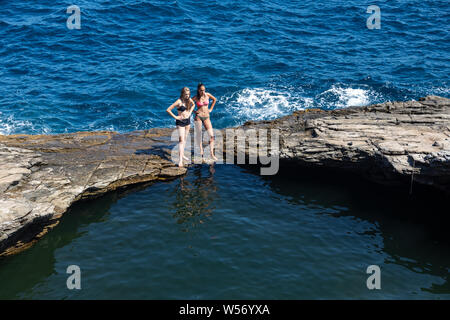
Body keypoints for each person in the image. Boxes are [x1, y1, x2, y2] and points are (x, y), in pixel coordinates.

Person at [166, 87, 195, 167]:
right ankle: (180, 160)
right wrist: (176, 117)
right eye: (186, 94)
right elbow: (168, 110)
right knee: (181, 141)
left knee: (185, 139)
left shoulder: (189, 100)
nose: (187, 96)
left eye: (189, 94)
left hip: (188, 121)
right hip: (180, 122)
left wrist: (190, 112)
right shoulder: (179, 101)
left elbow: (193, 105)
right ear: (182, 94)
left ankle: (182, 155)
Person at [193, 83, 218, 161]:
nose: (203, 92)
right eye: (201, 90)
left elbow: (215, 99)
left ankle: (211, 154)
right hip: (198, 117)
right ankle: (201, 151)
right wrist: (194, 111)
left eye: (204, 90)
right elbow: (188, 104)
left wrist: (211, 109)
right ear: (198, 90)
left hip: (207, 117)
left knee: (211, 136)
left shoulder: (207, 95)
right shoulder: (196, 97)